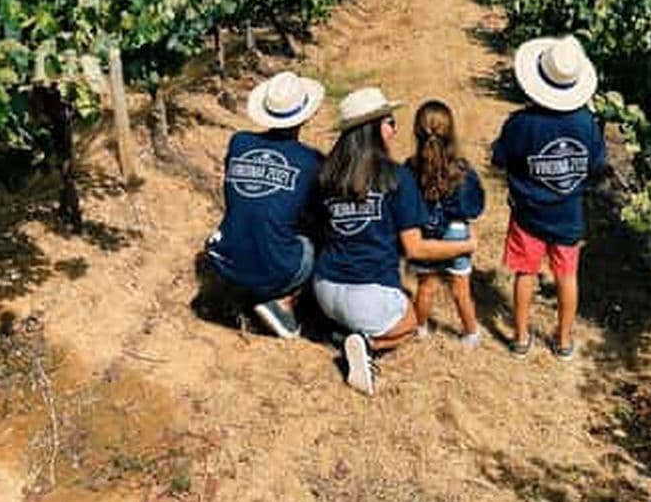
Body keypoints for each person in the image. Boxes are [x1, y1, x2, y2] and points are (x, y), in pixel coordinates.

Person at [313, 87, 476, 395]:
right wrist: (464, 246)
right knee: (411, 324)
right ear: (373, 129)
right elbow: (416, 248)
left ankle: (341, 332)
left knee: (360, 310)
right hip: (368, 293)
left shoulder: (326, 173)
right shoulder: (395, 177)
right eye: (389, 121)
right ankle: (365, 344)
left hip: (324, 288)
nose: (395, 128)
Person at [491, 35, 606, 359]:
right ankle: (564, 340)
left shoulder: (521, 123)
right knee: (567, 275)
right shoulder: (587, 123)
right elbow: (597, 166)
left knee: (526, 272)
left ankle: (521, 337)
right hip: (569, 215)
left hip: (528, 215)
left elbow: (501, 159)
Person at [201, 70, 325, 339]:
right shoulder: (311, 160)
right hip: (276, 265)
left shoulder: (239, 142)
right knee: (315, 243)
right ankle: (283, 303)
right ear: (306, 115)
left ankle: (238, 290)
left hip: (225, 259)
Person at [405, 100, 485, 345]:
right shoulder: (461, 169)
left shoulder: (410, 168)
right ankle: (471, 333)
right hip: (457, 233)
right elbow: (474, 207)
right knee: (461, 289)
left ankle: (420, 328)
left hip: (425, 235)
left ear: (417, 131)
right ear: (451, 131)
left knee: (426, 285)